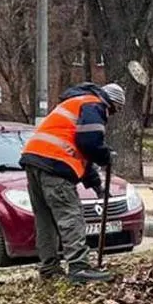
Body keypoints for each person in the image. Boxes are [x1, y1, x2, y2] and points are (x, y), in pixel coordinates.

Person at [20, 82, 125, 284]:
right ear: (111, 104)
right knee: (70, 216)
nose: (110, 116)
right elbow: (90, 142)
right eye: (114, 111)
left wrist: (97, 186)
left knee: (45, 219)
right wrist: (105, 155)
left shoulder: (76, 102)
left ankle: (49, 268)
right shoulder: (94, 104)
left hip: (34, 161)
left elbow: (80, 151)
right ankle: (79, 267)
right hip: (55, 165)